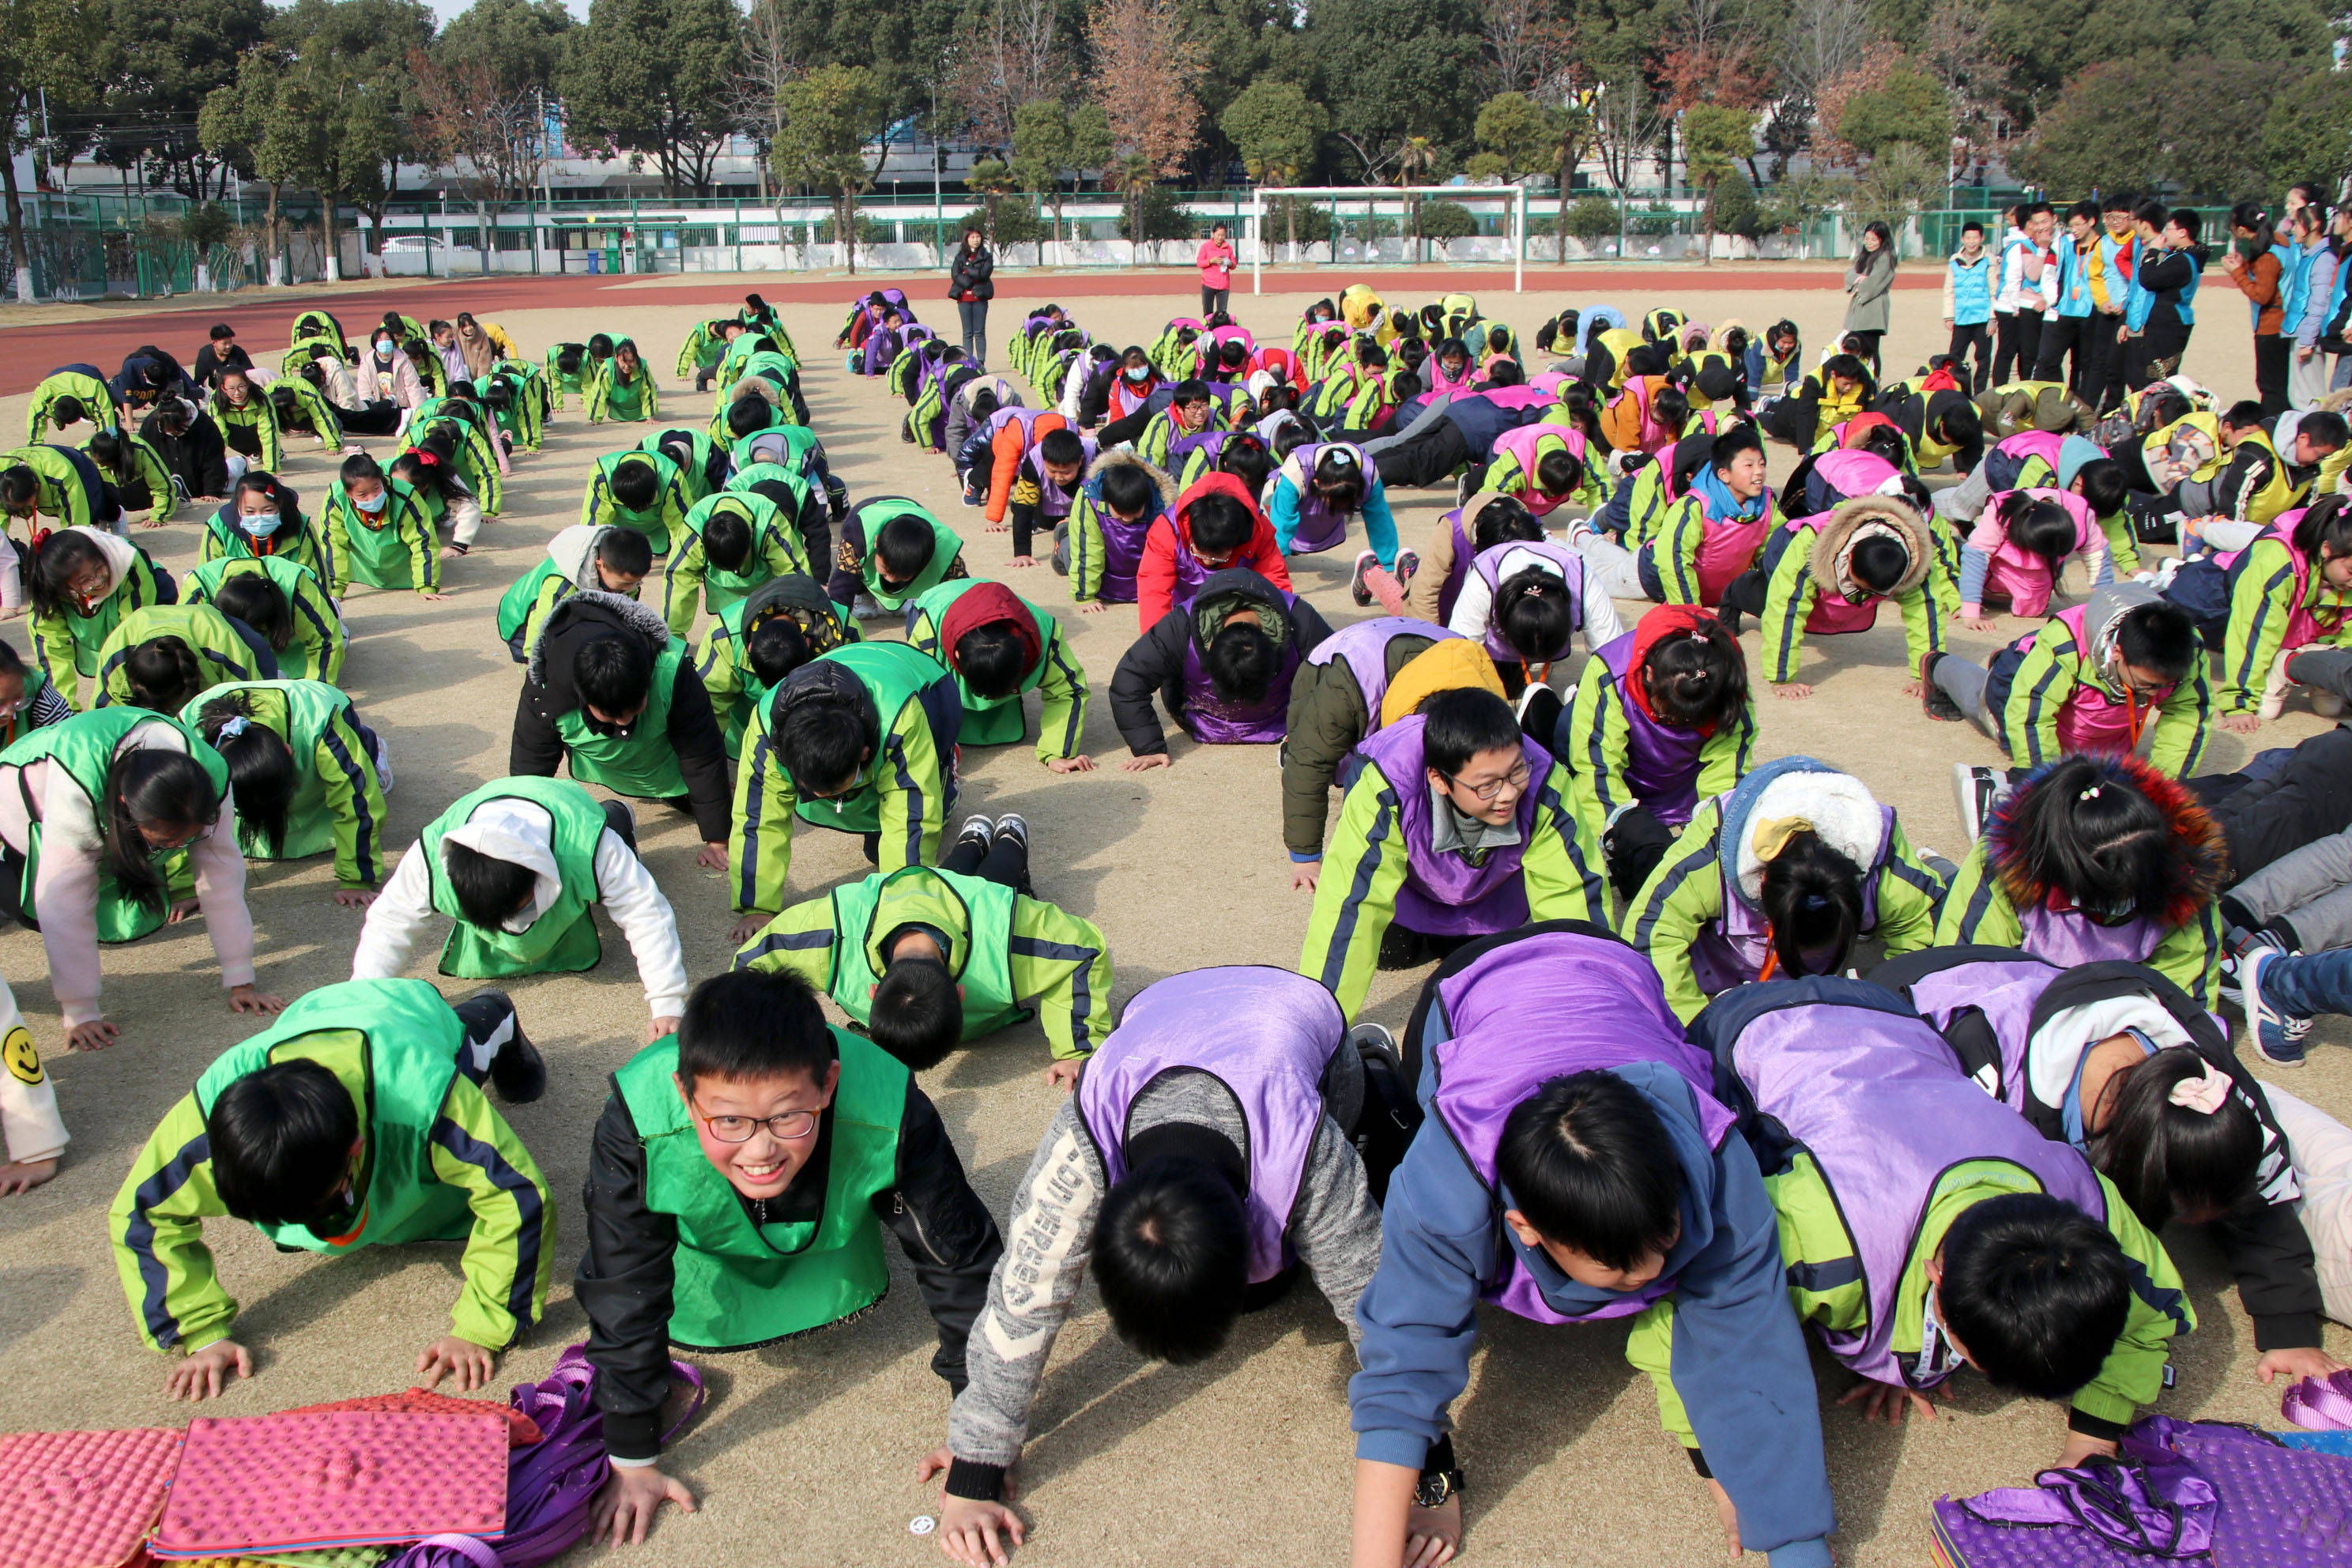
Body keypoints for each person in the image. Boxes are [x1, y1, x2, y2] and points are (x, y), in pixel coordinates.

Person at [1350, 925, 1834, 1568]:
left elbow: (1751, 1347)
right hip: (1470, 985)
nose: (1657, 1271)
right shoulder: (1446, 1182)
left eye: (1667, 1239)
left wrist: (1783, 1528)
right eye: (1619, 1264)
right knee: (1401, 1149)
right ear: (1525, 1227)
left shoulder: (1716, 1161)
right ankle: (1379, 1074)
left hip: (1609, 965)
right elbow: (1404, 1362)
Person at [925, 967, 1396, 1566]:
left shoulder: (1300, 1142)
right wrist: (976, 1463)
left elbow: (1369, 1291)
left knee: (1311, 1256)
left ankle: (1379, 1071)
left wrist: (1427, 1464)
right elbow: (1026, 1289)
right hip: (1163, 1010)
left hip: (1300, 1021)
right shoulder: (1088, 1128)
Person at [1689, 975, 2192, 1470]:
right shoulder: (1822, 1238)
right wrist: (1717, 1466)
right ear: (1936, 1274)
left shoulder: (2083, 1202)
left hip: (1891, 1015)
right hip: (1747, 1031)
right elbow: (1707, 1303)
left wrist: (2096, 1437)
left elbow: (2148, 1314)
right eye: (1971, 1358)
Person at [579, 968, 1001, 1547]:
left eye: (786, 1115)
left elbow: (960, 1261)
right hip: (705, 1268)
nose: (759, 1148)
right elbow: (621, 1274)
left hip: (836, 1246)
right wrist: (630, 1454)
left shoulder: (891, 1102)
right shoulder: (636, 1115)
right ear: (684, 1092)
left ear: (829, 1083)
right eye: (728, 1120)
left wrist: (979, 1441)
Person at [1879, 948, 2341, 1381]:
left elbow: (2264, 1191)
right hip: (1902, 1008)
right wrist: (1900, 1353)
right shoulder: (1989, 1085)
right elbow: (1915, 1197)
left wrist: (2289, 1328)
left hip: (2037, 994)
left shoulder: (2210, 1084)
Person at [109, 978, 550, 1403]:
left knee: (471, 1046)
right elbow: (142, 1211)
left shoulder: (422, 1092)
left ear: (355, 1147)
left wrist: (481, 1327)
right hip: (312, 1013)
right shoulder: (209, 1118)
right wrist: (199, 1333)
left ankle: (495, 1012)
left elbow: (516, 1193)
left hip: (409, 1013)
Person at [1298, 684, 1605, 1012]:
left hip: (1494, 897)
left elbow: (1573, 895)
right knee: (1390, 951)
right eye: (1487, 785)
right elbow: (1351, 902)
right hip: (1412, 893)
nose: (1508, 794)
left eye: (1517, 771)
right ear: (1439, 780)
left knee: (1491, 961)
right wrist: (1320, 1023)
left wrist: (1594, 1003)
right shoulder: (1386, 787)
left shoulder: (1545, 782)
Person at [733, 809, 1109, 1074]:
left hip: (976, 901)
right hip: (925, 893)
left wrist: (1078, 1049)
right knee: (954, 871)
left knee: (1000, 871)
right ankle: (973, 839)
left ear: (871, 991)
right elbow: (751, 967)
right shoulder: (830, 932)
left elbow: (1083, 949)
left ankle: (1010, 835)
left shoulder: (1004, 930)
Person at [0, 706, 279, 1050]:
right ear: (124, 806)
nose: (178, 847)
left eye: (186, 838)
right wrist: (80, 1011)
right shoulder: (78, 778)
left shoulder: (211, 776)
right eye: (167, 841)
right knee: (27, 901)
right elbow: (64, 901)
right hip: (18, 804)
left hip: (107, 803)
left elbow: (222, 882)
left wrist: (241, 979)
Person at [356, 776, 689, 1041]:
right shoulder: (427, 858)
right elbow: (391, 922)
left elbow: (644, 911)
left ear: (538, 876)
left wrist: (667, 1002)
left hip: (567, 803)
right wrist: (363, 1001)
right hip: (492, 807)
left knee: (611, 866)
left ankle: (616, 815)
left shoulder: (589, 844)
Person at [1623, 753, 1942, 1023]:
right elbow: (1651, 936)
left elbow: (1923, 935)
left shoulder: (1881, 855)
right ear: (1760, 884)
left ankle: (1935, 864)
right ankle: (1627, 820)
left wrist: (1890, 1010)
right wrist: (1699, 1025)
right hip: (1718, 968)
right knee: (1651, 865)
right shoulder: (1713, 852)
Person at [1936, 752, 2228, 1009]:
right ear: (2063, 870)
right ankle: (1937, 867)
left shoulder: (2187, 883)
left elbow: (2187, 1004)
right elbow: (1963, 979)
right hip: (2026, 1000)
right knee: (1945, 897)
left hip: (2115, 1016)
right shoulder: (1999, 870)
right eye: (2108, 897)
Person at [726, 642, 962, 939]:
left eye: (835, 789)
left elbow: (912, 815)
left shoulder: (902, 719)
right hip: (848, 682)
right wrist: (757, 906)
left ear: (864, 754)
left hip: (927, 684)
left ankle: (948, 767)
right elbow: (757, 818)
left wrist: (901, 903)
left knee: (923, 800)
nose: (825, 799)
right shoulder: (764, 731)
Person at [1527, 605, 1757, 899]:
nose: (1675, 723)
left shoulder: (1726, 682)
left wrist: (1710, 824)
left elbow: (1728, 767)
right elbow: (1597, 766)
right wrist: (1617, 825)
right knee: (1565, 737)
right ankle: (1555, 706)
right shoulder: (1612, 670)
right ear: (1648, 674)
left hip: (1673, 773)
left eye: (1689, 719)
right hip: (1615, 749)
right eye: (1666, 715)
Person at [511, 590, 733, 873]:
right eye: (611, 715)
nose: (625, 721)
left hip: (660, 759)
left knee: (705, 788)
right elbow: (530, 763)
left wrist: (717, 838)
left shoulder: (671, 671)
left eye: (635, 707)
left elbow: (702, 754)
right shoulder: (544, 690)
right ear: (585, 699)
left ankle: (674, 791)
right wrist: (521, 831)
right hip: (603, 759)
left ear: (647, 683)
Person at [1282, 620, 1502, 888]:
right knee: (1337, 761)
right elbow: (1308, 764)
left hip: (1429, 649)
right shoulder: (1343, 691)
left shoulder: (1488, 697)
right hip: (1340, 664)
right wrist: (1307, 857)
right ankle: (1291, 746)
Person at [1930, 586, 2211, 778]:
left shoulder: (2187, 651)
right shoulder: (2065, 644)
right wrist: (2043, 779)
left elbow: (2187, 714)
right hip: (2017, 684)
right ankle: (1938, 666)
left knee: (2105, 768)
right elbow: (2030, 716)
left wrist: (2163, 785)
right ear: (2117, 653)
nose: (2156, 695)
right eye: (2148, 686)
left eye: (2165, 686)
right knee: (1980, 703)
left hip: (2092, 705)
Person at [1722, 493, 1956, 701]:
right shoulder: (1810, 544)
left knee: (1832, 609)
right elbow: (1785, 606)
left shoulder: (1917, 562)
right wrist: (1781, 678)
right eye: (1856, 584)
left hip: (1839, 563)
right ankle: (1735, 593)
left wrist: (1926, 674)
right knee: (1770, 598)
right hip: (1786, 546)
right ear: (1850, 556)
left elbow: (1926, 613)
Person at [187, 681, 390, 905]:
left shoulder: (319, 721)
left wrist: (356, 880)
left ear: (288, 751)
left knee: (358, 764)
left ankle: (373, 748)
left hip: (329, 720)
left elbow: (358, 798)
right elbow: (173, 811)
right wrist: (184, 887)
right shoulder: (188, 735)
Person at [1110, 567, 1330, 767]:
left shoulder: (1300, 620)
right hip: (1199, 719)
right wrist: (1149, 748)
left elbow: (1342, 676)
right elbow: (1129, 679)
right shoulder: (1181, 625)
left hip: (1280, 718)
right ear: (1212, 646)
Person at [1570, 425, 1777, 609]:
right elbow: (1673, 560)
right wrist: (1692, 613)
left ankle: (1583, 535)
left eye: (1761, 464)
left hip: (1655, 555)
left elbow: (1774, 549)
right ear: (1724, 474)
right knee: (1588, 573)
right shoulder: (1695, 506)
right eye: (1749, 466)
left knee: (1618, 561)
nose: (1758, 472)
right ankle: (1567, 540)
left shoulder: (1766, 503)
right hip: (1649, 577)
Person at [903, 579, 1091, 770]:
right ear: (957, 656)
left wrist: (1057, 753)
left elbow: (1068, 691)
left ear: (1023, 655)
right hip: (934, 604)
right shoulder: (927, 636)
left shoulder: (1044, 636)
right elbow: (915, 695)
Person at [1445, 533, 1625, 696]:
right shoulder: (1482, 582)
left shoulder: (1584, 584)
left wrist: (1586, 695)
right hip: (1498, 642)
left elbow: (1613, 659)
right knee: (1497, 692)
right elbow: (1458, 656)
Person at [27, 526, 175, 708]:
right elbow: (53, 656)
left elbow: (131, 637)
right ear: (63, 588)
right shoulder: (47, 598)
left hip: (150, 607)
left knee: (149, 673)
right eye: (85, 581)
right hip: (97, 619)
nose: (98, 581)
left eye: (99, 569)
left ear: (102, 554)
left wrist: (106, 707)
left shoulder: (128, 562)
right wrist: (63, 711)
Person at [1134, 473, 1291, 631]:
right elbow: (1154, 593)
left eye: (1220, 555)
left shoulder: (1259, 531)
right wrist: (1160, 641)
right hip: (1183, 606)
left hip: (1238, 608)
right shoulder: (1167, 530)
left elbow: (1275, 586)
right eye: (1200, 553)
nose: (1208, 561)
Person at [662, 490, 809, 641]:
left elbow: (796, 577)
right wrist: (673, 639)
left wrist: (799, 628)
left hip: (765, 579)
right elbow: (678, 580)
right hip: (721, 586)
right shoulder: (694, 531)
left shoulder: (769, 522)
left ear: (751, 534)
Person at [92, 602, 274, 710]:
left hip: (233, 639)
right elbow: (105, 718)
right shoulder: (116, 655)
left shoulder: (226, 648)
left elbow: (254, 708)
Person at [1061, 448, 1175, 612]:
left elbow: (1166, 554)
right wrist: (1084, 596)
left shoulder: (1160, 504)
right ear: (1107, 500)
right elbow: (1087, 548)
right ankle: (1062, 536)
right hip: (1102, 571)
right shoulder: (1090, 499)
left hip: (1139, 580)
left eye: (1135, 513)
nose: (1128, 519)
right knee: (1069, 550)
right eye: (1120, 515)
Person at [323, 452, 445, 601]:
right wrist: (335, 589)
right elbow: (333, 543)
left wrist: (427, 585)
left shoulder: (406, 495)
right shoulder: (336, 499)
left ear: (382, 479)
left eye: (376, 488)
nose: (372, 498)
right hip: (361, 572)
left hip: (404, 575)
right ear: (348, 493)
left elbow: (423, 540)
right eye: (362, 494)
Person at [1268, 443, 1399, 566]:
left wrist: (1388, 565)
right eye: (1335, 503)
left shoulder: (1368, 475)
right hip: (1275, 495)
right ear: (1317, 483)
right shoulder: (1295, 472)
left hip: (1320, 509)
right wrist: (1275, 565)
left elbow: (1380, 522)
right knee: (1269, 522)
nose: (1341, 508)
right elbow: (1281, 523)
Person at [2120, 205, 2205, 392]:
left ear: (2183, 233)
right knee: (2144, 376)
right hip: (2161, 322)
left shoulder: (2184, 260)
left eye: (2170, 229)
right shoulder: (2179, 255)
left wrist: (2153, 252)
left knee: (2159, 378)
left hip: (2170, 324)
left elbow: (2148, 279)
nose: (2165, 233)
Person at [201, 473, 334, 586]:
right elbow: (209, 579)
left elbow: (316, 580)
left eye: (268, 510)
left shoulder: (300, 527)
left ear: (280, 505)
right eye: (250, 512)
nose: (259, 518)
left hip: (289, 602)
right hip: (236, 604)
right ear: (238, 507)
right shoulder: (218, 528)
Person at [2224, 202, 2292, 416]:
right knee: (2279, 383)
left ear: (2242, 230)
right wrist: (2244, 266)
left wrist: (2237, 273)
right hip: (2284, 322)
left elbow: (2262, 295)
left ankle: (2274, 430)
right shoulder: (2279, 242)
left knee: (2270, 386)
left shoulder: (2267, 257)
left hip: (2271, 327)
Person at [1995, 203, 2059, 387]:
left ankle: (2025, 387)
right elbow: (2014, 279)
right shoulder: (2019, 246)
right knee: (2008, 352)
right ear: (2028, 224)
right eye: (2034, 222)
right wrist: (2015, 306)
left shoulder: (2033, 244)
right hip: (2010, 307)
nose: (2038, 227)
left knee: (2025, 352)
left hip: (2021, 305)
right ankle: (2001, 389)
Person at [579, 449, 688, 557]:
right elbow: (593, 531)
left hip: (659, 525)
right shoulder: (601, 476)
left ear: (655, 494)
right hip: (618, 525)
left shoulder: (672, 479)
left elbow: (684, 531)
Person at [1946, 220, 1997, 392]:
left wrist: (1993, 318)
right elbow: (1949, 291)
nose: (1972, 241)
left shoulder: (1989, 261)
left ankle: (1979, 392)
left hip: (1982, 318)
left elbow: (1994, 291)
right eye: (1968, 237)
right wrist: (1949, 316)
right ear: (1962, 239)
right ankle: (1954, 390)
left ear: (1982, 238)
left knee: (1983, 359)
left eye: (1975, 237)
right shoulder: (1954, 261)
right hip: (1961, 318)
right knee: (1954, 357)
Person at [1844, 221, 1897, 377]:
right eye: (1867, 239)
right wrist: (1859, 279)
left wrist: (1862, 282)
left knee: (1871, 350)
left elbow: (1875, 282)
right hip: (1858, 307)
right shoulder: (1864, 255)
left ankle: (1874, 382)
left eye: (1874, 239)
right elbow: (1849, 275)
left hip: (1874, 308)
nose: (1869, 243)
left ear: (1882, 239)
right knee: (1854, 346)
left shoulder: (1886, 257)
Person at [0, 639, 70, 751]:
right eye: (0, 704)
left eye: (18, 699)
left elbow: (68, 740)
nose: (9, 712)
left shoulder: (38, 691)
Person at [949, 228, 993, 368]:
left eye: (978, 237)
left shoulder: (986, 256)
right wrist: (969, 281)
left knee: (979, 332)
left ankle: (980, 361)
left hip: (980, 297)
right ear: (966, 239)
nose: (976, 240)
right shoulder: (960, 257)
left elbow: (984, 274)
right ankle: (968, 361)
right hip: (964, 299)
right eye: (972, 237)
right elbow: (955, 274)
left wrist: (967, 270)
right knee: (967, 332)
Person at [589, 339, 659, 424]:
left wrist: (650, 416)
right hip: (617, 407)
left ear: (636, 358)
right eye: (623, 361)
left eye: (631, 361)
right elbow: (599, 393)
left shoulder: (643, 368)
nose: (627, 366)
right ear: (616, 358)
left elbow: (648, 392)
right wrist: (594, 419)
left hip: (638, 409)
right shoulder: (607, 369)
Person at [190, 322, 251, 388]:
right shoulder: (205, 354)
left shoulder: (238, 352)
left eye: (230, 343)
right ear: (214, 343)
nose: (228, 346)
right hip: (218, 390)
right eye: (224, 343)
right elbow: (199, 381)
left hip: (237, 390)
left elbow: (251, 374)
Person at [1197, 223, 1237, 316]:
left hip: (1223, 286)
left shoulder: (1228, 248)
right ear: (1213, 234)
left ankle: (1220, 331)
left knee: (1222, 315)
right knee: (1208, 314)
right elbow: (1199, 262)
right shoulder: (1205, 247)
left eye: (1223, 235)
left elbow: (1234, 264)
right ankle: (1207, 330)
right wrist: (1211, 261)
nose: (1220, 237)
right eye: (1218, 235)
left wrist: (1229, 263)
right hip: (1208, 284)